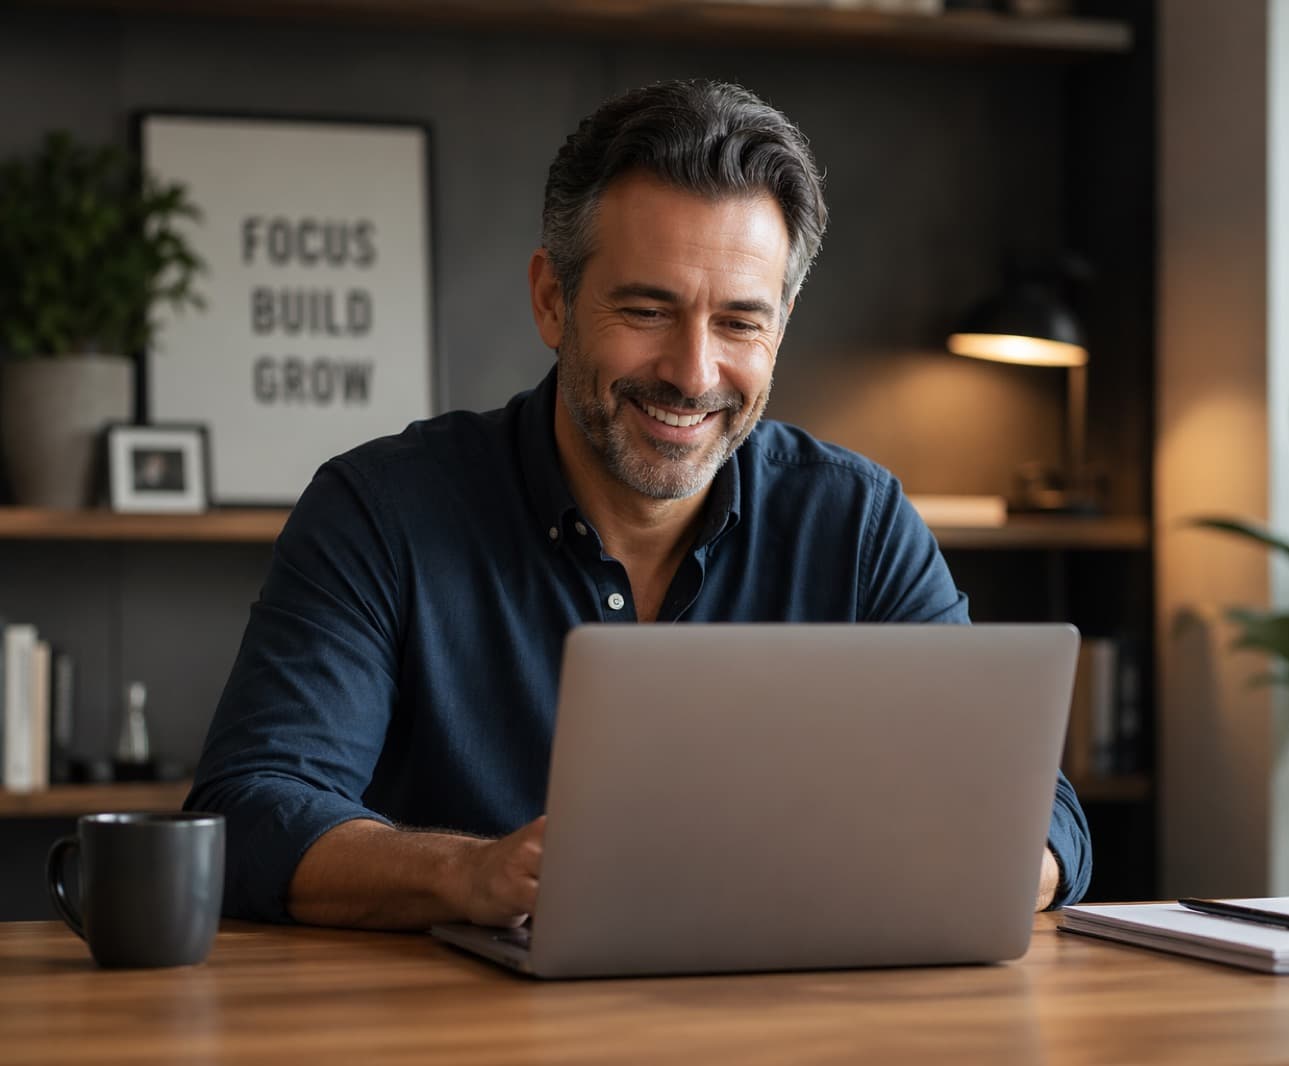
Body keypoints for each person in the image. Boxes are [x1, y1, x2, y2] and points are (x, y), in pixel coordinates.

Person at [187, 79, 1092, 928]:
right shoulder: (379, 510)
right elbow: (252, 808)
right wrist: (465, 875)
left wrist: (976, 862)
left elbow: (1043, 815)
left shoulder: (856, 522)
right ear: (553, 299)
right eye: (648, 311)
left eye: (740, 321)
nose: (693, 374)